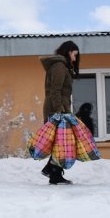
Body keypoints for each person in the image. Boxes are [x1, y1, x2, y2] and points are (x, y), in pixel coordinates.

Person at [39, 40, 80, 185]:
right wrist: (59, 111)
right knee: (61, 141)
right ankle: (53, 173)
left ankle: (51, 170)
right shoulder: (59, 67)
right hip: (56, 109)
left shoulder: (61, 66)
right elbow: (56, 91)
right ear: (69, 52)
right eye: (74, 55)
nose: (75, 58)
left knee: (60, 140)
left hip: (59, 107)